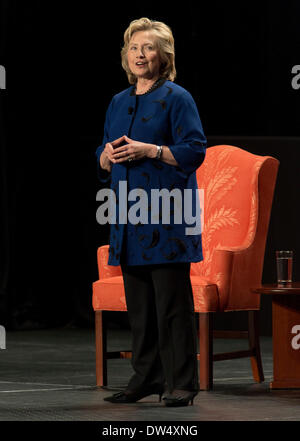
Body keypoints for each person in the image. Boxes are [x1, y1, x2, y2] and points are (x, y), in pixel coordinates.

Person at [96, 17, 206, 407]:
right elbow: (104, 149)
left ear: (164, 56)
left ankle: (181, 383)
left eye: (148, 48)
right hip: (128, 215)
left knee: (171, 306)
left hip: (167, 215)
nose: (140, 54)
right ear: (126, 57)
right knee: (140, 307)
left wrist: (151, 150)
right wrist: (105, 156)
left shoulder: (178, 98)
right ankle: (145, 378)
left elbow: (194, 150)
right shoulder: (118, 101)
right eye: (134, 48)